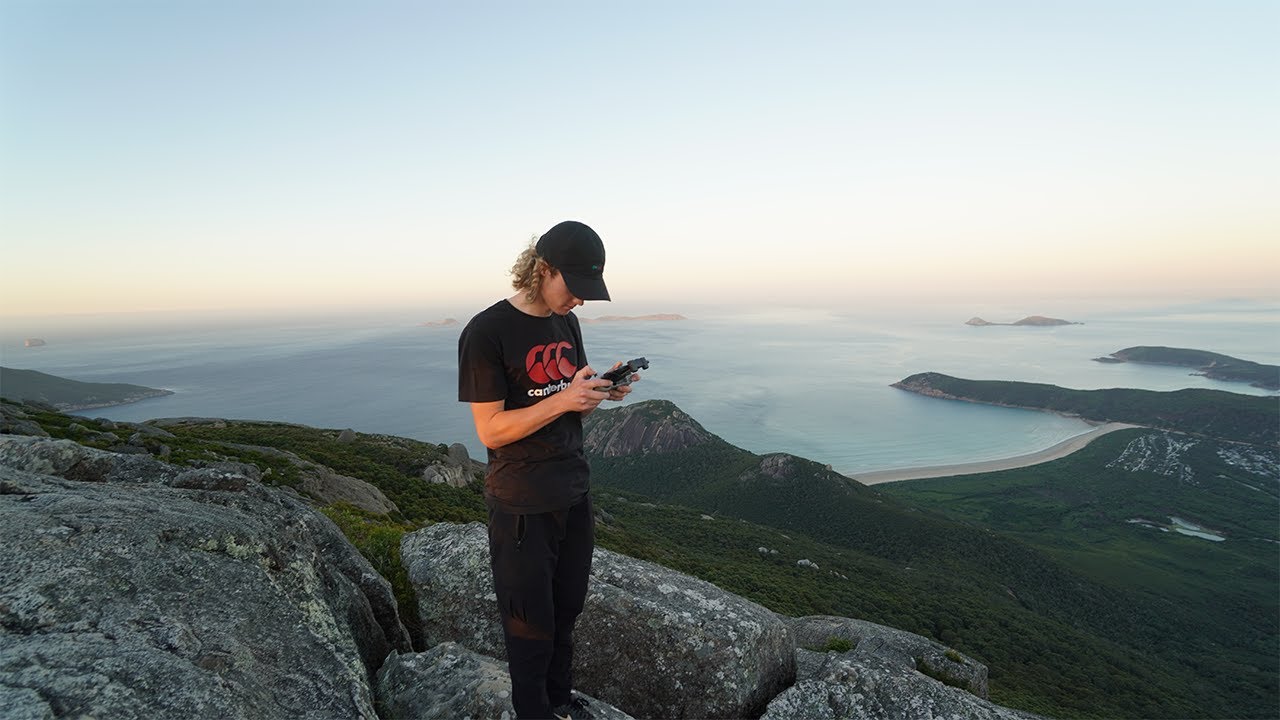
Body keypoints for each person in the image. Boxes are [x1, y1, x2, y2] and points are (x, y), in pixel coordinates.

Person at [457, 220, 636, 720]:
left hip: (573, 492)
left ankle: (559, 699)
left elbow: (569, 404)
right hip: (522, 504)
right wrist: (562, 401)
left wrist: (595, 393)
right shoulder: (487, 331)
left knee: (567, 610)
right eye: (573, 287)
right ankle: (533, 711)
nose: (579, 300)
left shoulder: (567, 324)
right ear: (543, 269)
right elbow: (490, 430)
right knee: (529, 625)